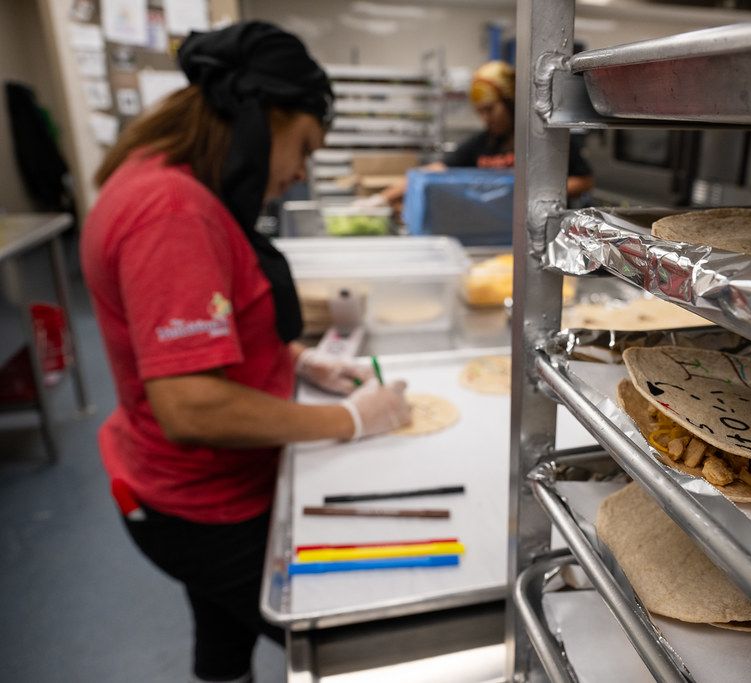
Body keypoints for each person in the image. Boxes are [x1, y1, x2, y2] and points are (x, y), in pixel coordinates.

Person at [79, 21, 411, 683]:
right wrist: (352, 419)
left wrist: (295, 359)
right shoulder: (170, 210)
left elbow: (206, 318)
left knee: (222, 635)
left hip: (174, 485)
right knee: (364, 645)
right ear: (264, 117)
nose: (297, 174)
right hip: (207, 505)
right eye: (304, 147)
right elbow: (191, 404)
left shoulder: (166, 179)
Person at [364, 60, 594, 212]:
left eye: (490, 109)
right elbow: (435, 170)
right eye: (480, 112)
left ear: (510, 101)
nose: (485, 119)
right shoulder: (482, 143)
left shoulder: (546, 140)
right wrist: (381, 198)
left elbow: (584, 181)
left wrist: (528, 192)